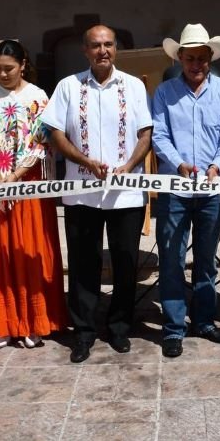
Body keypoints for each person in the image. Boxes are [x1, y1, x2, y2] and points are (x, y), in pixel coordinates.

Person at [41, 25, 153, 363]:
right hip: (81, 191)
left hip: (125, 193)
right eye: (95, 46)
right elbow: (56, 133)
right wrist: (84, 161)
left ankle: (119, 327)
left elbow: (145, 134)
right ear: (85, 51)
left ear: (115, 48)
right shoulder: (68, 87)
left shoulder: (133, 86)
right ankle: (84, 332)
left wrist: (131, 164)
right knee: (83, 263)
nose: (102, 51)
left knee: (125, 261)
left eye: (108, 45)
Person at [0, 40, 68, 350]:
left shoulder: (37, 97)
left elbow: (42, 140)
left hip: (27, 184)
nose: (4, 74)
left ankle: (34, 322)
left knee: (28, 249)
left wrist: (17, 174)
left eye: (9, 68)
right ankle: (4, 322)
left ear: (23, 65)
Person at [151, 23, 220, 358]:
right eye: (190, 58)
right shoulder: (164, 94)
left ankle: (204, 321)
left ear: (210, 58)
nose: (196, 64)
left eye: (202, 58)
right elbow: (159, 135)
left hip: (212, 190)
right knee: (172, 259)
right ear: (179, 58)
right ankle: (173, 328)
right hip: (174, 188)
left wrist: (216, 165)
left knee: (206, 259)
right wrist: (179, 165)